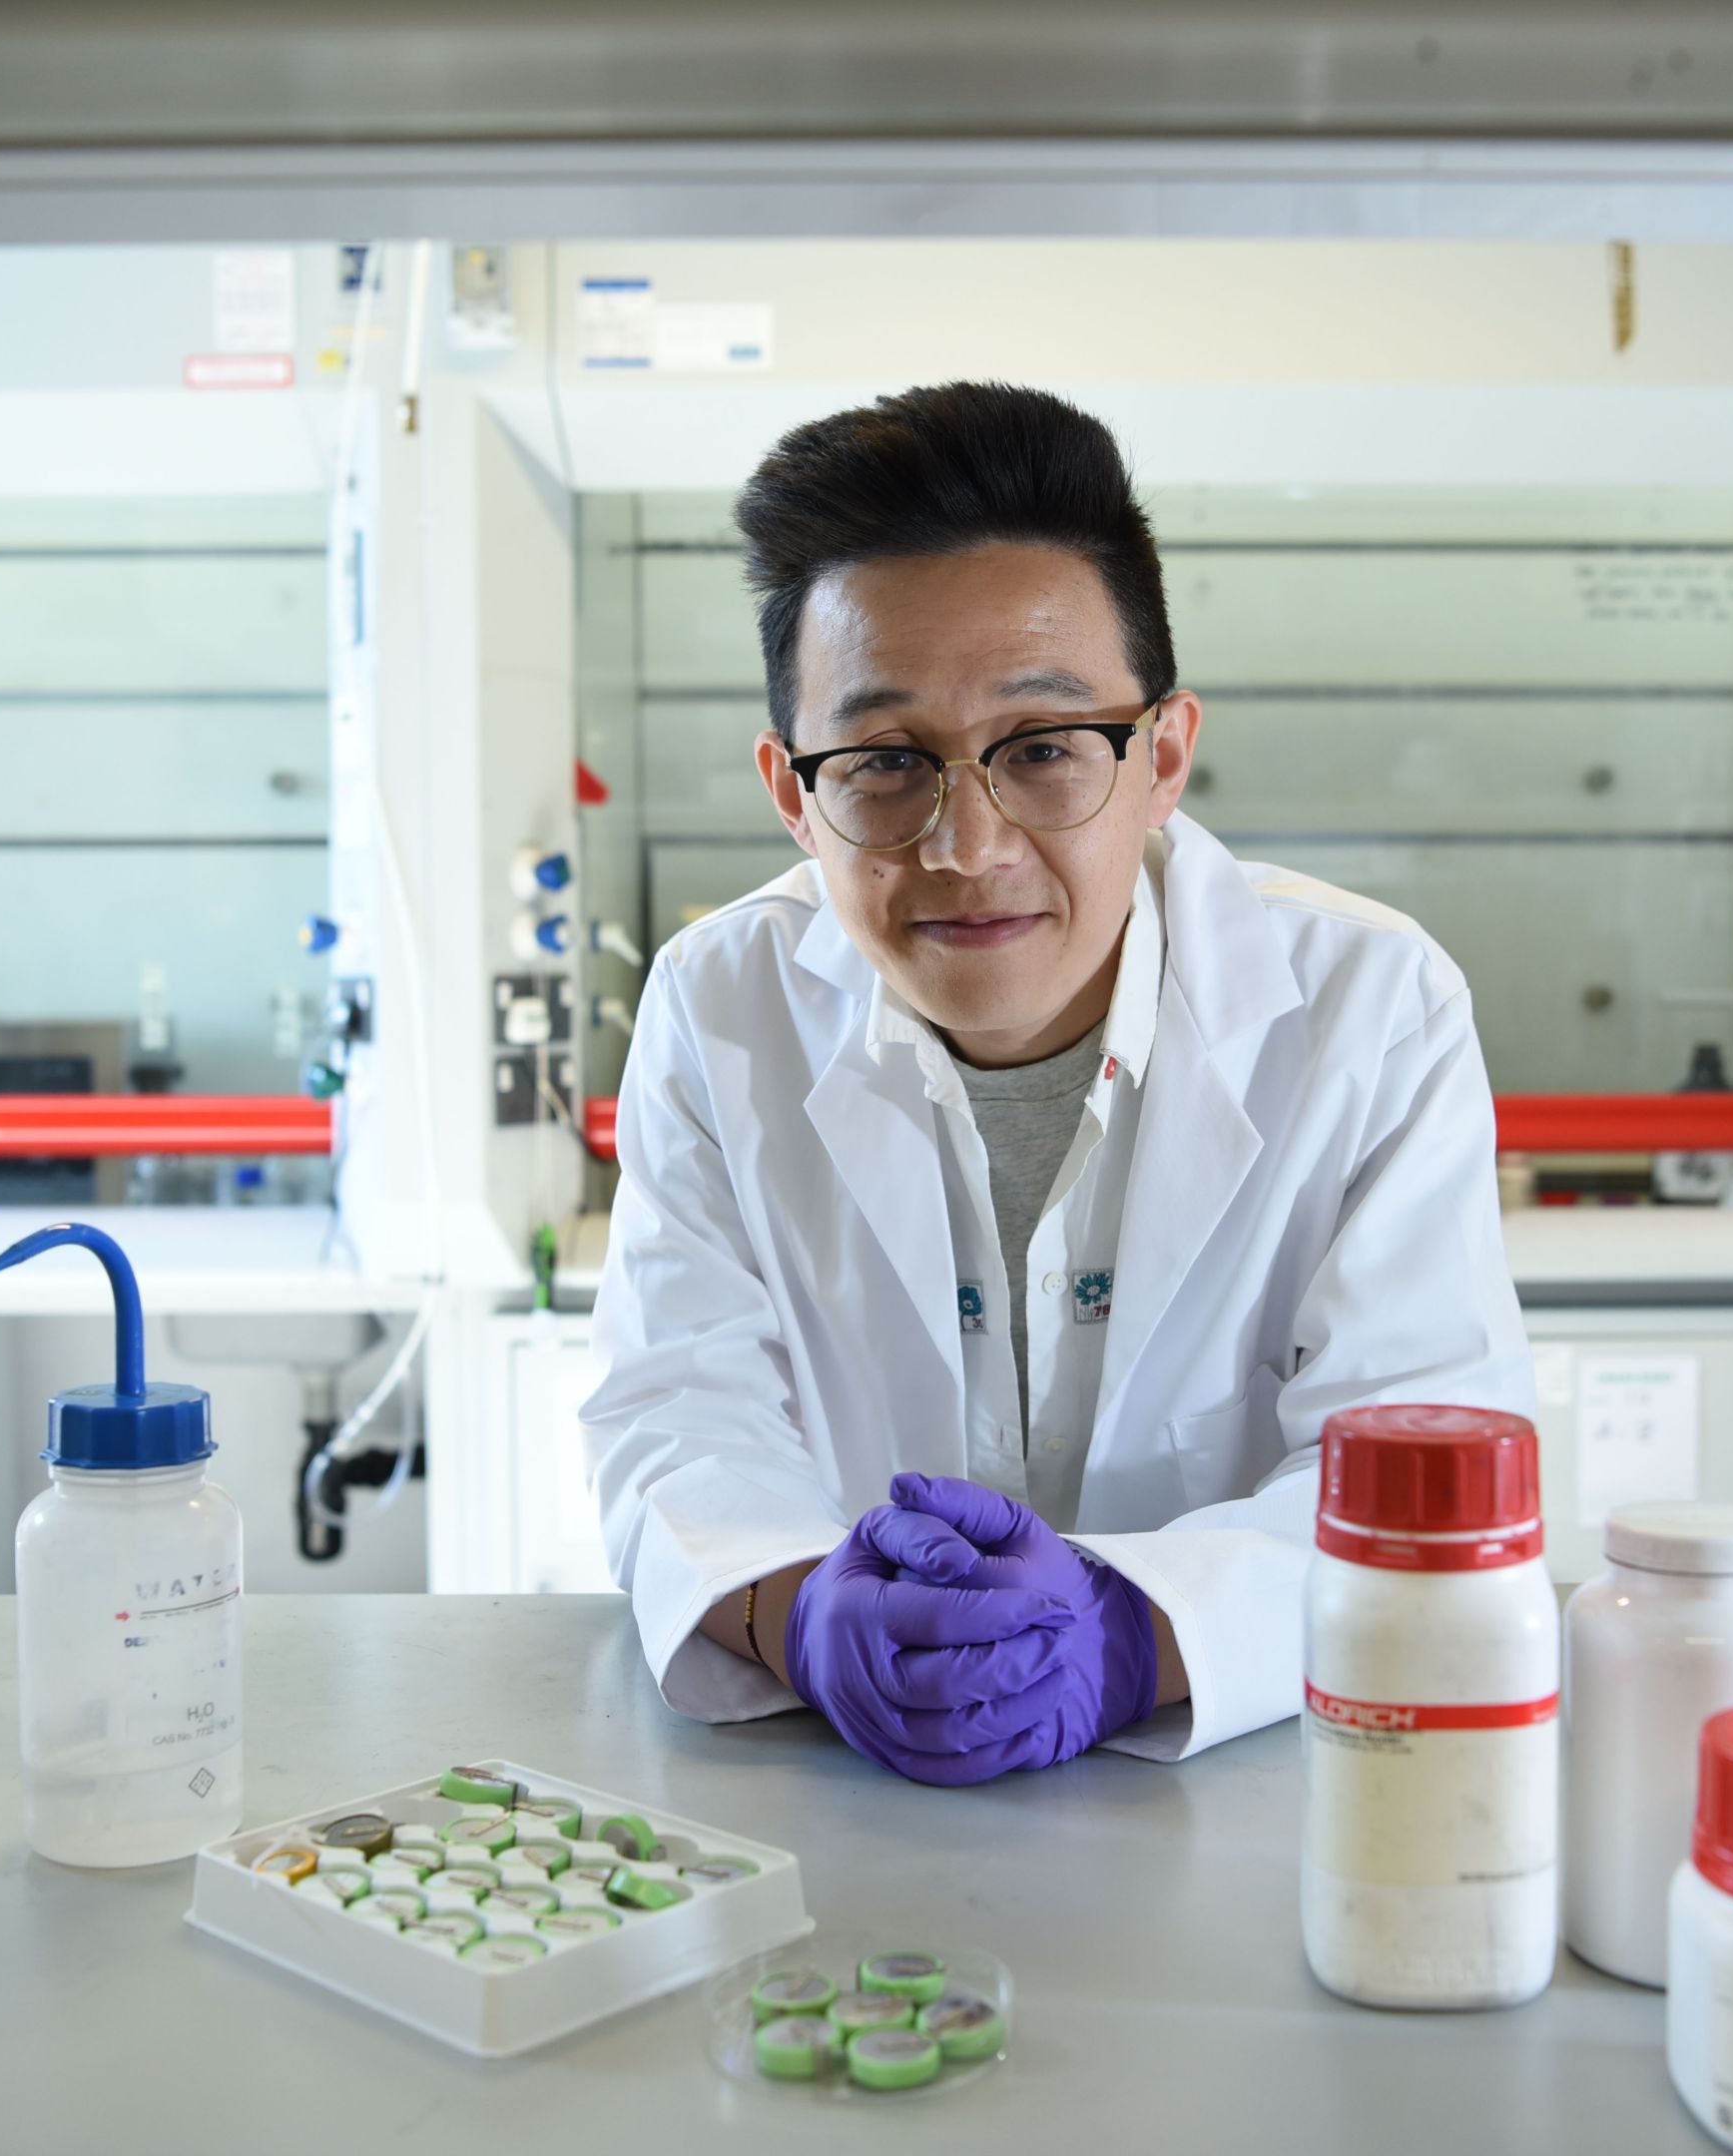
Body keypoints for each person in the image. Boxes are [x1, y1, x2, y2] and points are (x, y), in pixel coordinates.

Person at [583, 381, 1532, 1784]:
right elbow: (677, 1416)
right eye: (888, 764)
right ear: (795, 794)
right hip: (847, 1803)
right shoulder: (722, 1006)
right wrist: (801, 1614)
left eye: (1040, 750)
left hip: (1256, 1792)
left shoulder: (1371, 1010)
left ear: (1163, 757)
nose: (967, 845)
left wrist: (1132, 1636)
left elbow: (1418, 1461)